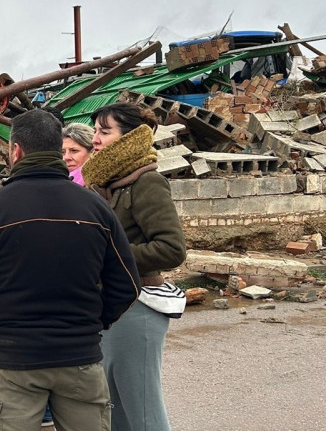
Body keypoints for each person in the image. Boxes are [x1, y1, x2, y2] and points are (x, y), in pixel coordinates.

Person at [0, 109, 141, 431]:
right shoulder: (96, 207)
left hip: (13, 362)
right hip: (80, 358)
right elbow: (127, 284)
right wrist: (92, 322)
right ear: (58, 150)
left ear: (16, 151)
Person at [81, 103, 188, 431]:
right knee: (115, 409)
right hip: (111, 306)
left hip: (139, 306)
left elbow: (172, 248)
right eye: (95, 130)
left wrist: (113, 257)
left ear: (128, 137)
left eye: (104, 131)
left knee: (143, 411)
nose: (95, 139)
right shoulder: (103, 183)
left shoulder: (146, 182)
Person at [62, 123, 95, 187]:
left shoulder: (100, 184)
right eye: (63, 152)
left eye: (74, 151)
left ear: (92, 152)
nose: (66, 157)